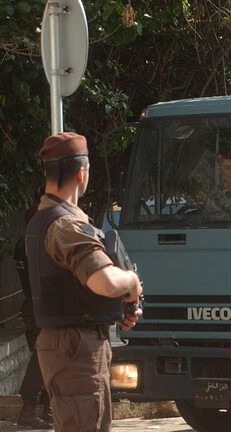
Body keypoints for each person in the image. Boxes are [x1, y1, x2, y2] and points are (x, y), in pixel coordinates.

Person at [25, 132, 143, 431]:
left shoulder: (47, 218)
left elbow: (71, 288)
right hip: (75, 348)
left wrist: (113, 311)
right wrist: (131, 281)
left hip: (71, 343)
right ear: (81, 173)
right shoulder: (66, 225)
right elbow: (105, 282)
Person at [13, 204, 52, 429]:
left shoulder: (22, 244)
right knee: (42, 358)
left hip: (33, 307)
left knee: (47, 359)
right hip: (40, 308)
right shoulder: (34, 245)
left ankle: (46, 410)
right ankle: (29, 411)